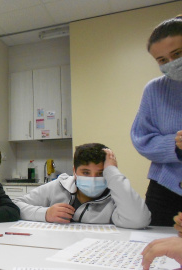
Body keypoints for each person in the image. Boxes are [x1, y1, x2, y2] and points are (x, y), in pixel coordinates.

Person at [13, 143, 151, 229]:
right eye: (85, 172)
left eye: (101, 173)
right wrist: (46, 214)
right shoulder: (58, 186)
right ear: (74, 171)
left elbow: (139, 220)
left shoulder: (116, 196)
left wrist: (113, 173)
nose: (93, 179)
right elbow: (15, 205)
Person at [130, 15, 182, 226]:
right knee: (157, 248)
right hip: (165, 188)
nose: (171, 64)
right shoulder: (155, 89)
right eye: (161, 60)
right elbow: (141, 138)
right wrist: (176, 147)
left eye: (177, 54)